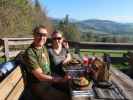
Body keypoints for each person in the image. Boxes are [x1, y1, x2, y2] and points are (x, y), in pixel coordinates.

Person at [22, 26, 70, 100]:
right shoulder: (30, 52)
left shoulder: (43, 48)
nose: (42, 37)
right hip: (39, 86)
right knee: (65, 98)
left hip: (49, 81)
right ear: (34, 35)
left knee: (71, 87)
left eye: (44, 35)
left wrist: (66, 49)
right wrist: (60, 79)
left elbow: (58, 48)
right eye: (39, 34)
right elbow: (40, 76)